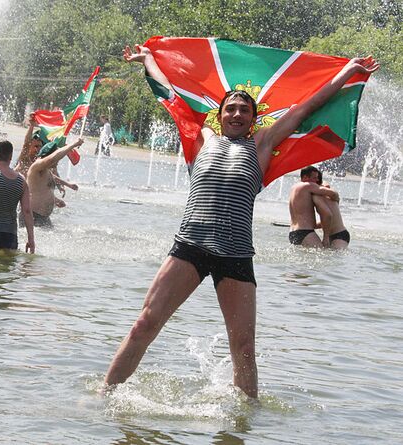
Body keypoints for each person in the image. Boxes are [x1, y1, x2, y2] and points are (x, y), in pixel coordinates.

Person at [103, 44, 378, 398]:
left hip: (235, 253)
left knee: (244, 349)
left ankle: (245, 423)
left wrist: (349, 70)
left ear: (252, 118)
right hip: (190, 245)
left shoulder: (263, 144)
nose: (236, 114)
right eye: (230, 109)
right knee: (144, 324)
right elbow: (171, 97)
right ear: (220, 115)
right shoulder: (201, 138)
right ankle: (103, 397)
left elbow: (306, 107)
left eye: (243, 110)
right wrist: (149, 60)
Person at [23, 138, 84, 228]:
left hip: (43, 218)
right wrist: (73, 144)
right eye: (57, 159)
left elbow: (43, 190)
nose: (58, 162)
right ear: (49, 156)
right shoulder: (37, 166)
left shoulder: (46, 170)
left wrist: (56, 199)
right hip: (33, 216)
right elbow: (53, 159)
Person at [288, 166, 341, 247]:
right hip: (306, 232)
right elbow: (333, 194)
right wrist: (337, 199)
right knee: (322, 256)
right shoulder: (308, 185)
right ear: (305, 177)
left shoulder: (294, 187)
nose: (316, 180)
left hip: (293, 232)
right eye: (314, 178)